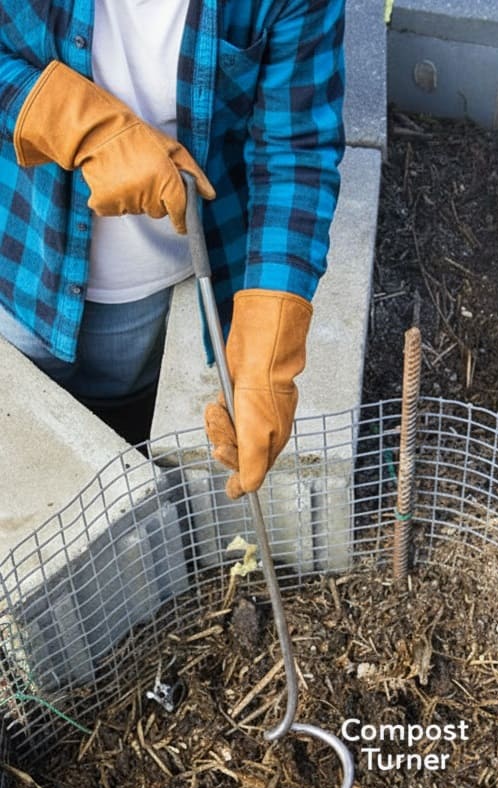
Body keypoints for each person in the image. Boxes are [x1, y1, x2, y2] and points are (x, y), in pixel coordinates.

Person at [0, 1, 346, 499]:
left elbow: (295, 150)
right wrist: (70, 120)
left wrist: (270, 338)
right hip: (19, 269)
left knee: (120, 474)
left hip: (152, 300)